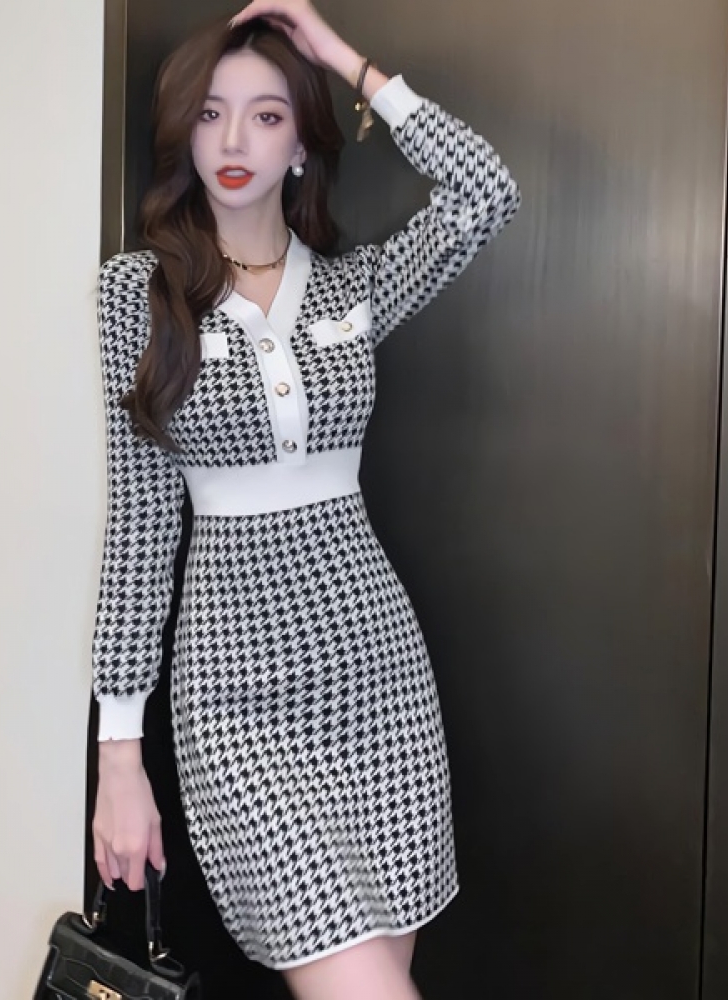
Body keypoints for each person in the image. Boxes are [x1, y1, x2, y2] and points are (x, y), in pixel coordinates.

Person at [89, 2, 521, 997]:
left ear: (300, 146)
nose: (234, 141)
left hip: (377, 681)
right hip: (235, 700)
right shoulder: (136, 295)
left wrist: (339, 58)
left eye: (268, 115)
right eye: (210, 114)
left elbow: (485, 192)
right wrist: (120, 757)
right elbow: (139, 531)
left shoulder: (352, 287)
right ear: (184, 133)